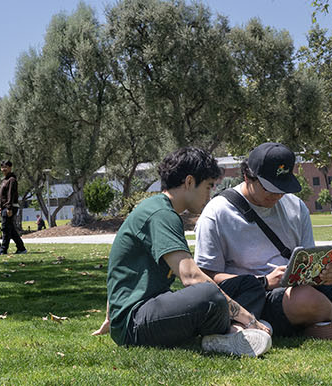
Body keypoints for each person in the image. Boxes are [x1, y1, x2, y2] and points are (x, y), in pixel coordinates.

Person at [194, 142, 332, 343]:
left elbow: (309, 257)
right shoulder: (217, 213)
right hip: (263, 296)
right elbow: (205, 278)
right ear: (248, 177)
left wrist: (328, 273)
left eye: (282, 187)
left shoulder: (296, 205)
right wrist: (263, 281)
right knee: (305, 298)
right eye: (270, 188)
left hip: (306, 287)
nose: (277, 195)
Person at [90, 146, 272, 356]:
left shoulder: (159, 209)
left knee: (248, 285)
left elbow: (121, 266)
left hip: (149, 312)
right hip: (135, 324)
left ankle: (229, 331)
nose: (209, 194)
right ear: (189, 182)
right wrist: (249, 318)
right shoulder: (160, 213)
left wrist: (110, 316)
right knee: (207, 294)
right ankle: (235, 331)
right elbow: (191, 276)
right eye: (208, 186)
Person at [0, 160, 27, 255]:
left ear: (10, 168)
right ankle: (21, 248)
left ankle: (3, 249)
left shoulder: (12, 180)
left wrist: (9, 208)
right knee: (11, 229)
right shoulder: (4, 180)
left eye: (6, 167)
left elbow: (10, 194)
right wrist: (0, 207)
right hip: (5, 207)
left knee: (5, 228)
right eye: (2, 167)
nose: (4, 169)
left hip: (10, 207)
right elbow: (2, 195)